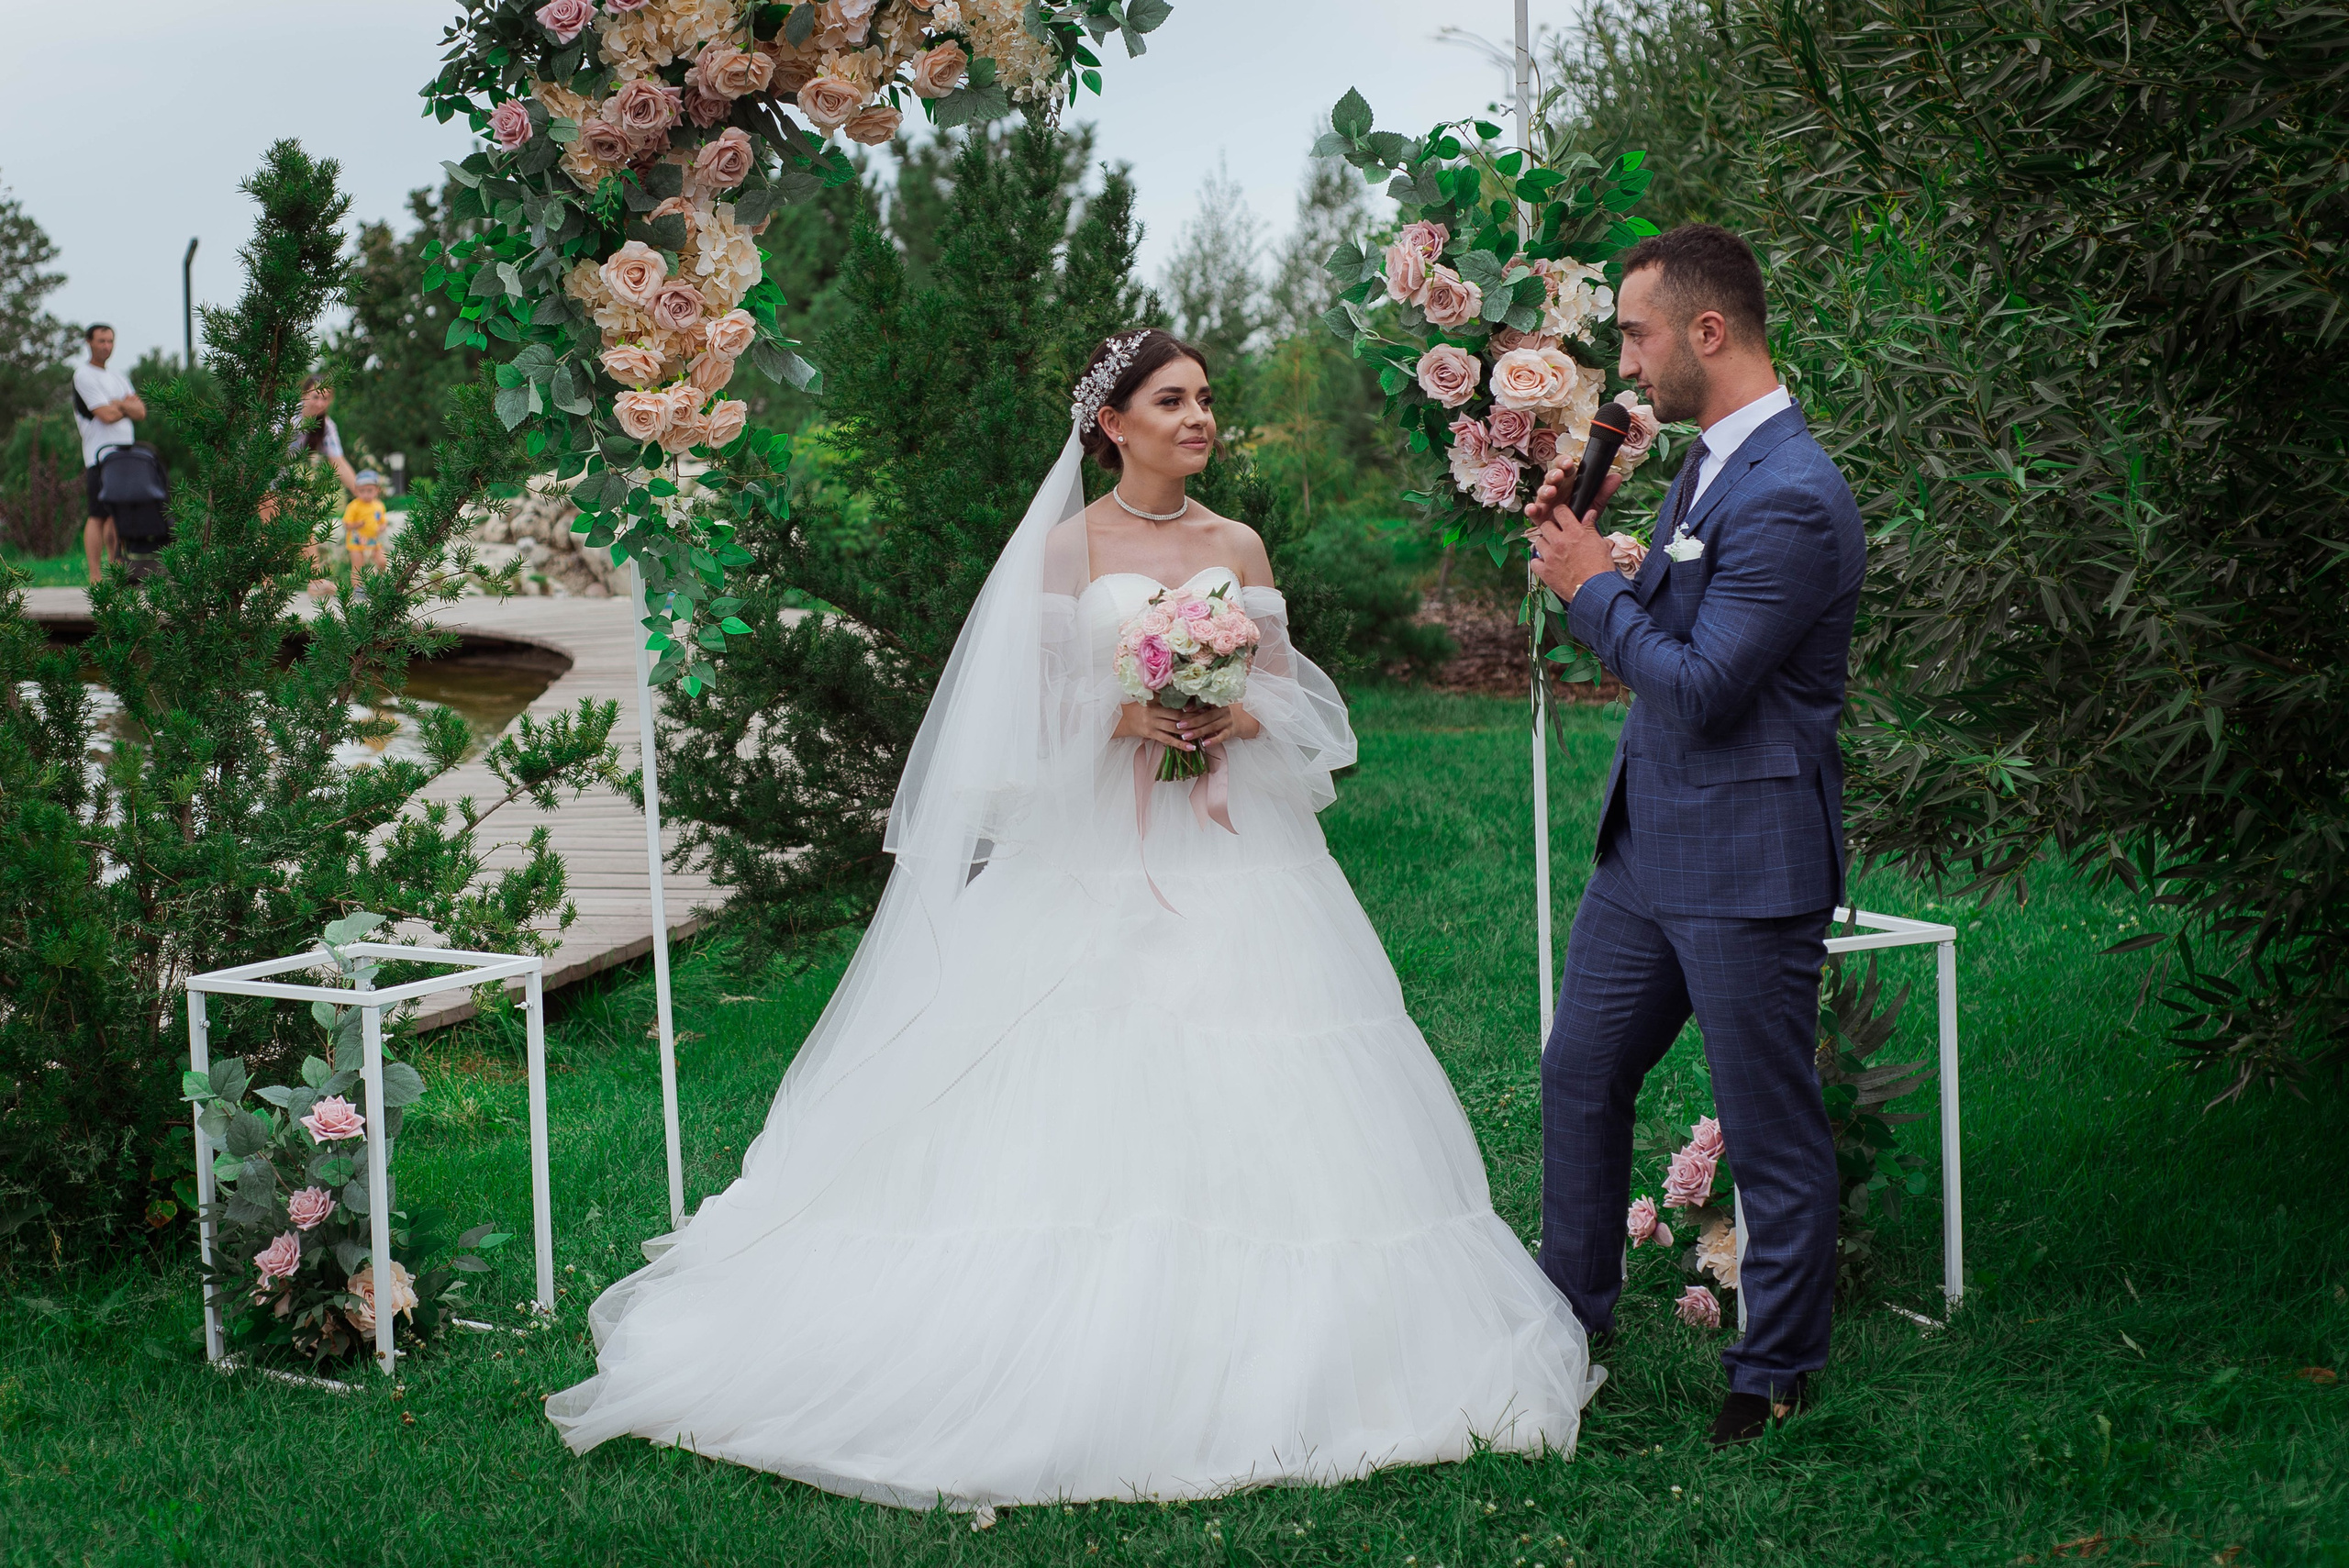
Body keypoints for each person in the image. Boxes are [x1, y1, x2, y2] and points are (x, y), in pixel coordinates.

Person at [547, 328, 1601, 1506]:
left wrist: (1225, 714)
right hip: (1090, 851)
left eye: (1205, 399)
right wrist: (1127, 715)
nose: (1198, 418)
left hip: (1236, 851)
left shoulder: (1237, 543)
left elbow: (1288, 689)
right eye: (1171, 400)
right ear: (1113, 424)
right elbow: (1024, 711)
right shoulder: (1064, 550)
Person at [1520, 224, 1865, 1448]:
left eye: (1636, 333)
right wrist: (1592, 562)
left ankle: (1772, 1371)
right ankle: (1570, 1318)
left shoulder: (1797, 495)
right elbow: (1667, 627)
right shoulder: (1709, 463)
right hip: (1648, 848)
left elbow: (1708, 684)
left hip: (1747, 859)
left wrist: (1591, 590)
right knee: (1580, 1074)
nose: (1627, 357)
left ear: (1706, 333)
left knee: (1769, 1124)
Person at [72, 324, 145, 584]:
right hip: (100, 457)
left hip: (126, 457)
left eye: (111, 341)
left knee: (117, 514)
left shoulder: (119, 377)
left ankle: (116, 571)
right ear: (89, 342)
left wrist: (119, 405)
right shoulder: (83, 374)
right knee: (98, 514)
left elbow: (141, 412)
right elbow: (105, 415)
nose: (107, 346)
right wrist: (123, 406)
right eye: (101, 341)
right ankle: (95, 577)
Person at [341, 470, 389, 574]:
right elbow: (346, 524)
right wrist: (357, 524)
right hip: (356, 541)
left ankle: (379, 581)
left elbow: (383, 521)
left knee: (383, 561)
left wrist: (383, 526)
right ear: (356, 491)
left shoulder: (379, 505)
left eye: (369, 490)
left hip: (374, 540)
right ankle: (358, 589)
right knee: (357, 567)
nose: (366, 494)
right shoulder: (354, 506)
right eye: (362, 491)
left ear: (377, 490)